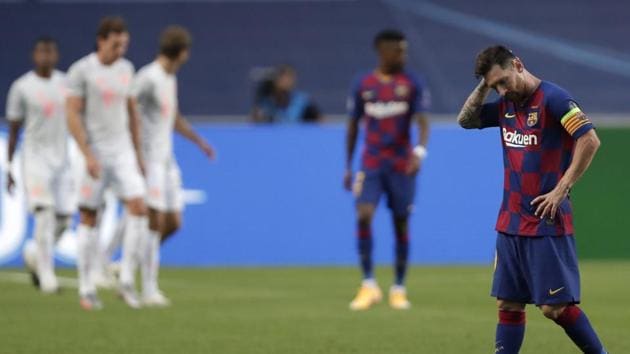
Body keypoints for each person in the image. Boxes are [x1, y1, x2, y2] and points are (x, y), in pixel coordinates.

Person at [457, 45, 607, 354]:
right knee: (508, 303)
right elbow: (466, 120)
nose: (501, 90)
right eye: (493, 85)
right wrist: (485, 85)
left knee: (555, 308)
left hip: (545, 221)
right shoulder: (505, 105)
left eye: (502, 81)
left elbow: (589, 139)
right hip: (510, 220)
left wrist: (562, 188)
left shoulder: (555, 99)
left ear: (518, 64)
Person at [344, 29, 430, 311]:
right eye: (399, 51)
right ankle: (368, 284)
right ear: (383, 51)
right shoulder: (364, 84)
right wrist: (347, 165)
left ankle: (398, 288)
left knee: (400, 222)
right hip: (371, 163)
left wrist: (419, 152)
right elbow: (353, 125)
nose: (403, 55)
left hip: (401, 164)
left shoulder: (412, 83)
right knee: (364, 214)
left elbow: (422, 122)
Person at [130, 25, 216, 306]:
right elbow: (127, 106)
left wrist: (198, 141)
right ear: (181, 52)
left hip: (167, 159)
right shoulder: (148, 77)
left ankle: (130, 266)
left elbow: (172, 116)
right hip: (149, 158)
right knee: (153, 221)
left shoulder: (169, 79)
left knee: (173, 223)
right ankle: (147, 288)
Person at [66, 16, 147, 310]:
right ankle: (87, 288)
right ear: (101, 41)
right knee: (89, 217)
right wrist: (86, 153)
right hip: (95, 150)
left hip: (122, 149)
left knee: (139, 208)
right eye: (116, 44)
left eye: (124, 44)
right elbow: (72, 114)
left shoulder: (127, 69)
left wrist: (139, 155)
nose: (120, 50)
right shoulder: (81, 71)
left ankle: (125, 280)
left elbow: (132, 113)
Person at [5, 36, 77, 293]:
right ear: (34, 55)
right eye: (41, 52)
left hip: (61, 160)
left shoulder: (66, 84)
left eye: (50, 52)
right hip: (35, 159)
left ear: (56, 55)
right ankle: (47, 278)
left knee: (64, 220)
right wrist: (9, 167)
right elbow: (14, 130)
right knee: (44, 215)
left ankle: (35, 254)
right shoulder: (22, 87)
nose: (45, 57)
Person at [251, 64, 321, 123]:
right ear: (276, 80)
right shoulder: (265, 104)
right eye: (284, 78)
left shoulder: (303, 102)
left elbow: (320, 122)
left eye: (290, 78)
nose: (287, 82)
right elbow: (255, 125)